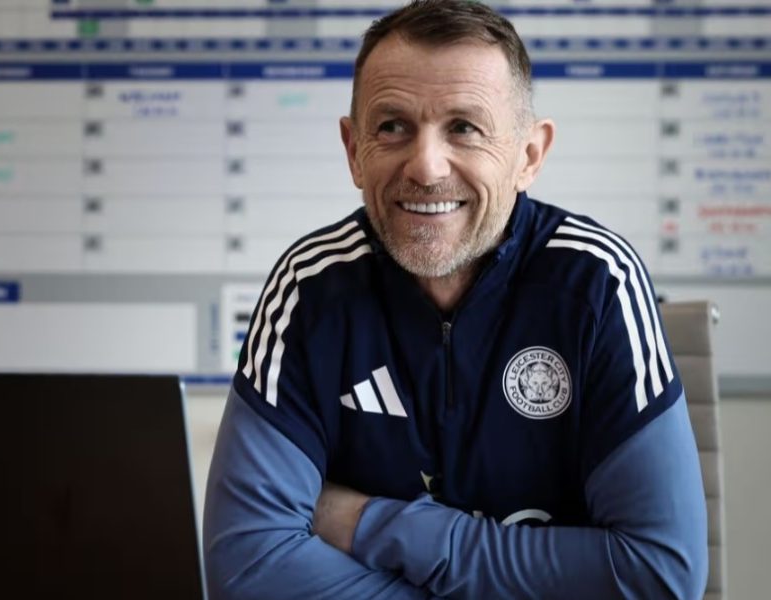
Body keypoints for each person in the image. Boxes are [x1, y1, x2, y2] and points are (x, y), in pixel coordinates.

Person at [203, 1, 709, 598]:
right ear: (353, 150)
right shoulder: (310, 287)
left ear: (528, 156)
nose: (425, 166)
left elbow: (659, 574)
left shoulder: (598, 282)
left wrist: (371, 523)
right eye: (392, 126)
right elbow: (247, 570)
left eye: (464, 127)